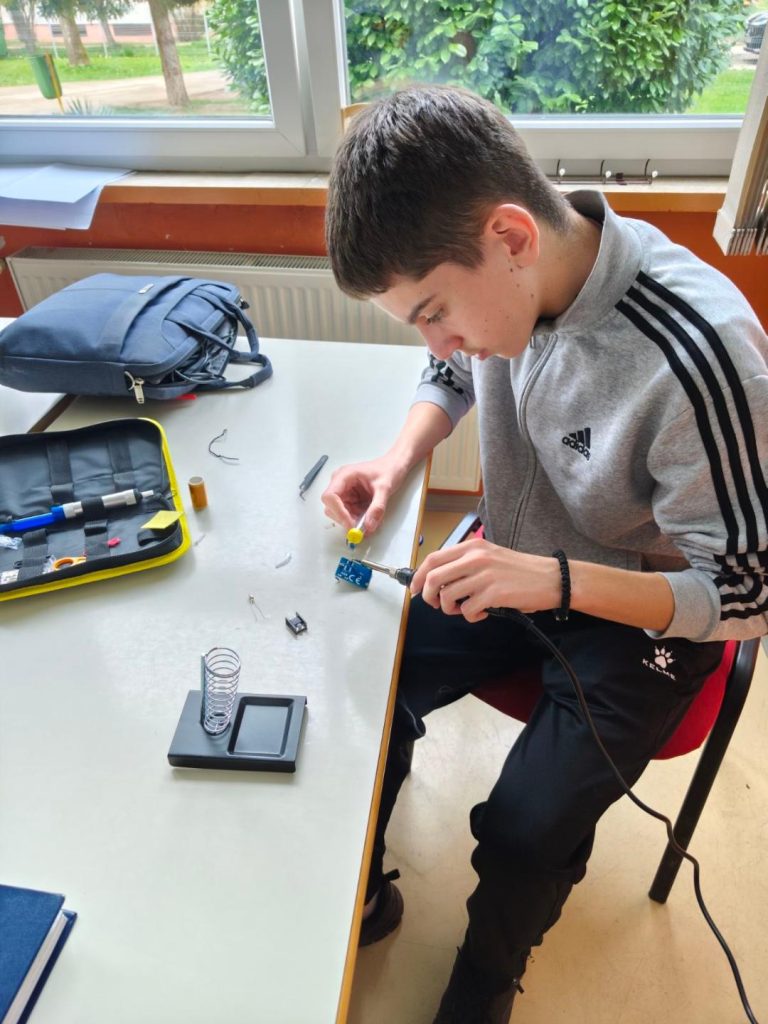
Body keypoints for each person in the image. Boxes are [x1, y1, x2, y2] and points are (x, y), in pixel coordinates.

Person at [321, 84, 768, 1023]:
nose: (438, 340)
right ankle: (362, 891)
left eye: (434, 310)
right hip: (514, 560)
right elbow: (453, 364)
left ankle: (485, 982)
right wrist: (398, 460)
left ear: (511, 236)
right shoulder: (505, 279)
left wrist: (558, 579)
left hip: (645, 616)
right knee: (366, 684)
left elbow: (750, 591)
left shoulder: (704, 357)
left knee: (527, 828)